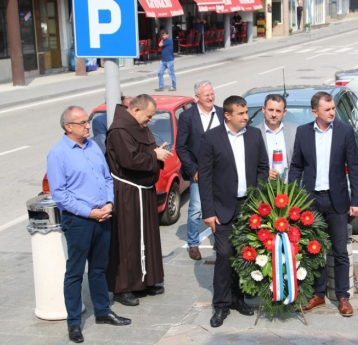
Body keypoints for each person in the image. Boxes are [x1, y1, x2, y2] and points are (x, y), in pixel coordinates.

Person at [47, 106, 131, 344]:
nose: (88, 125)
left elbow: (106, 177)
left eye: (87, 121)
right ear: (68, 127)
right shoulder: (58, 154)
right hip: (79, 221)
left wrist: (109, 204)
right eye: (82, 122)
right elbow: (60, 194)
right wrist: (89, 212)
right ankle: (74, 323)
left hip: (103, 215)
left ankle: (103, 311)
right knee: (75, 272)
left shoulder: (93, 146)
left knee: (99, 268)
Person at [289, 92, 358, 317]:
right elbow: (296, 167)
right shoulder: (302, 132)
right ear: (315, 113)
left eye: (333, 109)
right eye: (327, 109)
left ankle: (343, 296)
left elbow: (355, 167)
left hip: (336, 199)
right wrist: (293, 198)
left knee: (340, 251)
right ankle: (318, 294)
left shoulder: (344, 131)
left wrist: (356, 200)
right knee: (314, 250)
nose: (332, 112)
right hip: (311, 200)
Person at [198, 96, 269, 328]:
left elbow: (262, 168)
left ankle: (239, 299)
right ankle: (221, 305)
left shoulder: (254, 135)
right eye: (241, 113)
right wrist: (208, 212)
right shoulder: (210, 138)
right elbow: (205, 178)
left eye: (246, 112)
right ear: (227, 115)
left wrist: (257, 197)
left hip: (248, 207)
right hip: (221, 208)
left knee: (244, 254)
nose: (246, 117)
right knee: (225, 254)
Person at [105, 94, 172, 306]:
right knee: (128, 239)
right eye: (148, 116)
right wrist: (155, 156)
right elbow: (129, 160)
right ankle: (123, 287)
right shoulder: (119, 130)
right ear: (135, 111)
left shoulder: (138, 126)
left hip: (144, 190)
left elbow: (144, 150)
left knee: (147, 236)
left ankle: (146, 280)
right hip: (128, 192)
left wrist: (156, 152)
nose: (150, 120)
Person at [176, 80, 224, 261]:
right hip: (199, 171)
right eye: (207, 95)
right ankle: (193, 244)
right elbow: (181, 147)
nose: (211, 97)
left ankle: (219, 239)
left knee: (220, 206)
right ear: (197, 97)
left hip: (220, 171)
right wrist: (193, 170)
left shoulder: (220, 113)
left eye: (212, 93)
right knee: (196, 209)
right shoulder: (187, 117)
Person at [255, 94, 297, 180]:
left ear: (284, 112)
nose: (274, 114)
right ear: (263, 109)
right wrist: (264, 173)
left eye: (278, 111)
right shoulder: (254, 133)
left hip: (290, 188)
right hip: (264, 187)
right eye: (270, 110)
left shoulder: (295, 131)